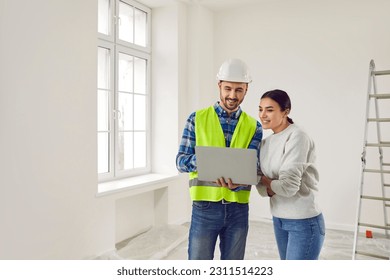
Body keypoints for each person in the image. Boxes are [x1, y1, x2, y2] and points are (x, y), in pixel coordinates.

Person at [176, 58, 263, 260]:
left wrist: (241, 181)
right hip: (204, 207)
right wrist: (208, 162)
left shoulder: (254, 126)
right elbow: (181, 161)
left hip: (238, 209)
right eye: (228, 89)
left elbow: (254, 167)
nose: (232, 95)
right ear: (219, 86)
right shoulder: (196, 119)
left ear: (246, 89)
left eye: (239, 90)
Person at [256, 89, 325, 260]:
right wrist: (269, 184)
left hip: (303, 221)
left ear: (286, 112)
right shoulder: (265, 143)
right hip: (278, 218)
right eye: (260, 109)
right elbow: (260, 188)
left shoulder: (297, 136)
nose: (263, 115)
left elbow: (288, 187)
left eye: (269, 110)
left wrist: (265, 181)